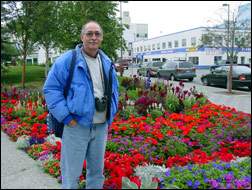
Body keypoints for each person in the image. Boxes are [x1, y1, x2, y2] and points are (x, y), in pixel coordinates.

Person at [43, 21, 119, 189]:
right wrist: (67, 117)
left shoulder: (106, 62)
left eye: (97, 34)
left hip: (100, 127)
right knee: (71, 175)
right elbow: (51, 89)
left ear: (102, 37)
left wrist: (111, 114)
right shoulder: (67, 61)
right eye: (89, 33)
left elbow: (114, 90)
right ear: (82, 37)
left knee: (96, 173)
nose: (93, 37)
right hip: (76, 126)